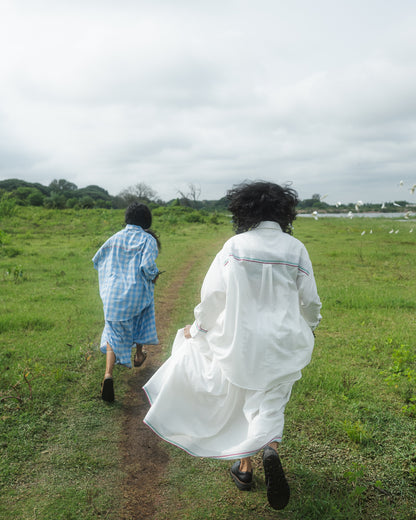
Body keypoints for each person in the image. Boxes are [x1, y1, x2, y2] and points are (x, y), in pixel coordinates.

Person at [143, 181, 321, 510]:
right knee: (270, 401)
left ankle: (245, 467)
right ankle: (270, 448)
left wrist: (198, 329)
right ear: (284, 212)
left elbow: (212, 297)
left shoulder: (234, 246)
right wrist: (309, 328)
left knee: (241, 396)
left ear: (245, 210)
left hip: (239, 340)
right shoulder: (295, 249)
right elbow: (309, 302)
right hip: (283, 341)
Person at [93, 202, 160, 402]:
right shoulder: (148, 239)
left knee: (112, 334)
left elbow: (97, 261)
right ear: (146, 221)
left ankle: (108, 375)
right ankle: (139, 354)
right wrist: (154, 275)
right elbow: (147, 266)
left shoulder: (113, 239)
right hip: (136, 293)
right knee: (142, 313)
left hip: (112, 296)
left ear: (127, 219)